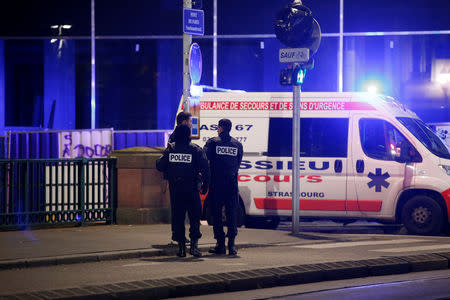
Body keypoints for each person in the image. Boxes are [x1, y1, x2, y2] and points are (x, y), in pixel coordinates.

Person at [156, 124, 210, 257]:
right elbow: (206, 169)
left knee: (178, 218)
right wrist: (205, 186)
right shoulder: (195, 150)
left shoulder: (171, 150)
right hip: (192, 188)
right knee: (195, 217)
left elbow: (160, 166)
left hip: (176, 190)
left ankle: (181, 249)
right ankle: (193, 247)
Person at [203, 119, 243, 255]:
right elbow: (238, 164)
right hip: (231, 185)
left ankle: (220, 245)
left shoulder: (212, 142)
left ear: (220, 128)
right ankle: (231, 246)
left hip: (216, 184)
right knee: (231, 214)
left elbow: (204, 160)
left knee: (217, 215)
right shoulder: (237, 145)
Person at [166, 111, 192, 242]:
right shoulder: (178, 136)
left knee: (178, 208)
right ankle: (177, 234)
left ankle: (178, 233)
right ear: (184, 122)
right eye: (189, 121)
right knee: (179, 208)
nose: (191, 124)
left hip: (175, 178)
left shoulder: (174, 136)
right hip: (179, 178)